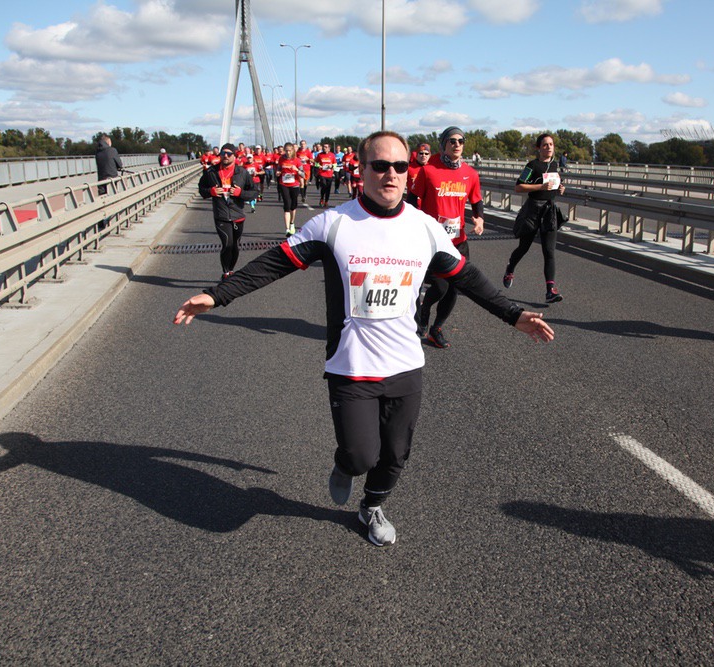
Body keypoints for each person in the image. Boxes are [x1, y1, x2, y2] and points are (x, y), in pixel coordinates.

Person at [174, 130, 554, 547]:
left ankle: (371, 506)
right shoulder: (333, 224)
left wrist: (512, 314)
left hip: (405, 364)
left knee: (395, 455)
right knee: (360, 455)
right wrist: (218, 295)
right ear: (362, 168)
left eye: (400, 166)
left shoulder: (425, 228)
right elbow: (274, 264)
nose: (391, 174)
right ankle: (346, 466)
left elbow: (468, 278)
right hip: (351, 365)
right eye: (380, 165)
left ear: (408, 172)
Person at [411, 126, 484, 348]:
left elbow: (477, 201)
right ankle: (424, 309)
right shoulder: (428, 171)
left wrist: (479, 219)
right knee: (440, 287)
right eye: (452, 140)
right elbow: (412, 200)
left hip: (458, 241)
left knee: (455, 288)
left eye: (461, 140)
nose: (457, 144)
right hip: (433, 241)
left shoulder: (470, 174)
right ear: (443, 144)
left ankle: (437, 328)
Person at [503, 132, 566, 304]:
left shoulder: (554, 165)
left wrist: (560, 188)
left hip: (549, 211)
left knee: (549, 251)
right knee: (524, 247)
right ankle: (510, 268)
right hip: (533, 210)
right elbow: (518, 187)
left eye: (551, 144)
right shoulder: (532, 165)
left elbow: (554, 185)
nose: (549, 148)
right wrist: (540, 187)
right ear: (538, 148)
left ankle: (550, 290)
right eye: (545, 145)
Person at [197, 143, 259, 280]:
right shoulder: (211, 172)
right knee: (227, 244)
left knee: (235, 246)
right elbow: (201, 189)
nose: (225, 156)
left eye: (229, 154)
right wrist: (211, 191)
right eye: (223, 153)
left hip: (237, 214)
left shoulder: (242, 172)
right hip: (221, 214)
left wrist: (240, 193)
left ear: (234, 156)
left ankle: (231, 270)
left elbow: (254, 192)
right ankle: (225, 273)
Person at [276, 142, 305, 237]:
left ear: (293, 150)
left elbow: (303, 174)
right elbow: (278, 169)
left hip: (294, 185)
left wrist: (296, 170)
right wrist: (278, 172)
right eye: (286, 151)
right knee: (287, 205)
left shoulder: (297, 160)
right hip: (284, 184)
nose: (288, 152)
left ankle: (292, 223)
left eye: (289, 151)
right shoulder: (281, 159)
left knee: (293, 205)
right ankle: (287, 229)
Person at [405, 142, 430, 208]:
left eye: (426, 153)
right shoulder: (409, 168)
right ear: (416, 154)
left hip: (427, 206)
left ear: (429, 155)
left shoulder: (432, 169)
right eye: (421, 153)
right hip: (412, 205)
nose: (423, 155)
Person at [314, 142, 337, 208]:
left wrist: (331, 166)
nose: (324, 148)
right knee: (323, 186)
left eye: (326, 147)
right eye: (324, 147)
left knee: (328, 189)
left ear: (329, 148)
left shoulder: (332, 155)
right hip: (322, 173)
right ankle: (322, 198)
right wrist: (319, 166)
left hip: (329, 174)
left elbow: (335, 164)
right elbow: (316, 163)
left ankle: (326, 201)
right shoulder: (320, 155)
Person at [296, 140, 313, 204]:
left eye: (303, 144)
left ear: (305, 145)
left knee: (305, 183)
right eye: (301, 144)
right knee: (301, 183)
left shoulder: (308, 152)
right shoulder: (297, 152)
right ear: (300, 145)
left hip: (307, 169)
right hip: (300, 169)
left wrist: (308, 159)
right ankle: (303, 197)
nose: (302, 145)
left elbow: (312, 160)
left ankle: (304, 193)